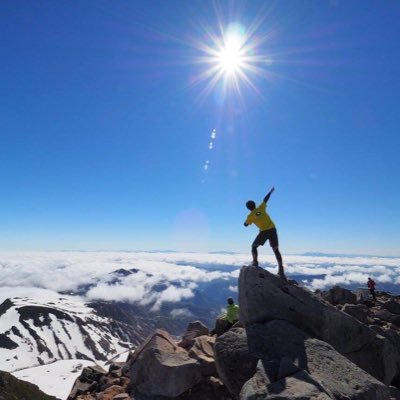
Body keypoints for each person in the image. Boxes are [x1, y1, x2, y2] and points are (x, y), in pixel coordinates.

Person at [244, 187, 286, 280]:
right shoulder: (261, 208)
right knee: (276, 250)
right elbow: (265, 199)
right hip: (273, 229)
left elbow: (246, 225)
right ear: (255, 205)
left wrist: (246, 223)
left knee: (254, 246)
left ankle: (255, 262)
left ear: (248, 208)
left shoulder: (250, 216)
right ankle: (281, 269)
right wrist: (270, 192)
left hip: (264, 231)